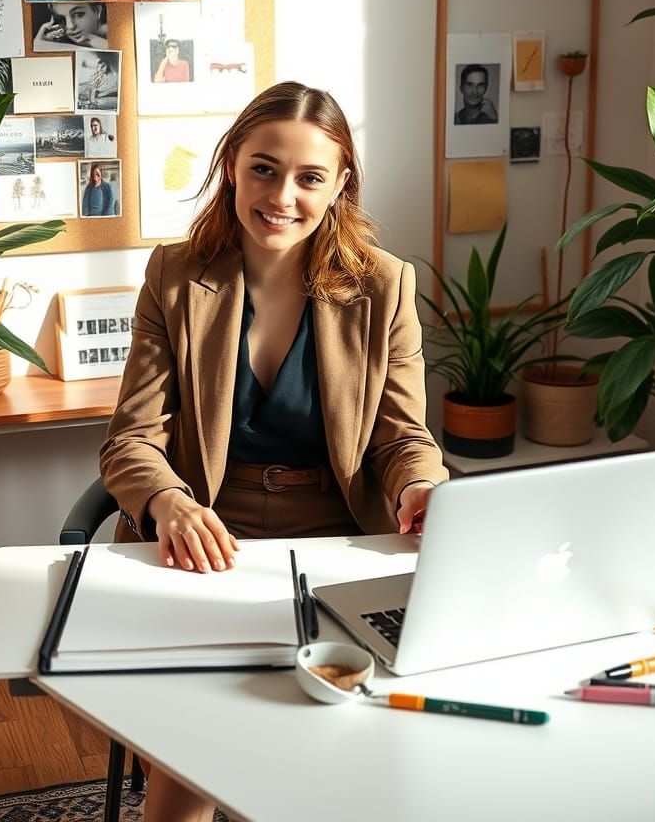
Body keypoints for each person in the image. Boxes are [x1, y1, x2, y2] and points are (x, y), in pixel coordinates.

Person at [99, 81, 447, 822]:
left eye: (309, 176)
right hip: (210, 543)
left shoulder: (384, 286)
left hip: (340, 540)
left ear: (339, 184)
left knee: (346, 745)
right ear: (231, 164)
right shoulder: (173, 275)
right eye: (263, 167)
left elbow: (403, 438)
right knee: (193, 754)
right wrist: (168, 503)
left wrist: (420, 489)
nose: (281, 194)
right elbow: (133, 439)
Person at [33, 1, 108, 50]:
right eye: (62, 19)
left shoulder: (111, 33)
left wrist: (93, 40)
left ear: (97, 11)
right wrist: (40, 43)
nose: (70, 26)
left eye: (78, 14)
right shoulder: (60, 39)